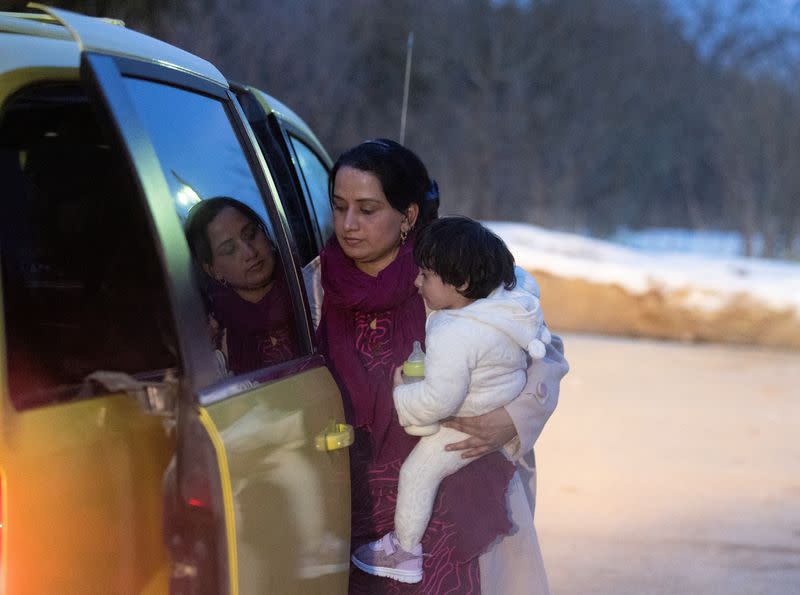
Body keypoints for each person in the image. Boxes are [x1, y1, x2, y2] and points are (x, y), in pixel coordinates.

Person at [308, 138, 569, 595]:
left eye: (368, 209)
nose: (349, 224)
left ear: (408, 216)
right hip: (348, 501)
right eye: (339, 206)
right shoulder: (314, 284)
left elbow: (544, 353)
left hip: (459, 488)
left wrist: (509, 419)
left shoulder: (460, 270)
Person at [350, 216, 551, 584]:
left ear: (460, 283)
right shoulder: (509, 302)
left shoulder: (454, 331)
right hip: (499, 389)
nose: (417, 282)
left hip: (468, 420)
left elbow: (440, 400)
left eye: (425, 275)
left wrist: (403, 396)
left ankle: (405, 550)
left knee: (418, 471)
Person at [185, 196, 300, 375]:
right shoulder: (219, 338)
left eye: (250, 234)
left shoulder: (314, 288)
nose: (250, 252)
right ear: (213, 270)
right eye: (229, 250)